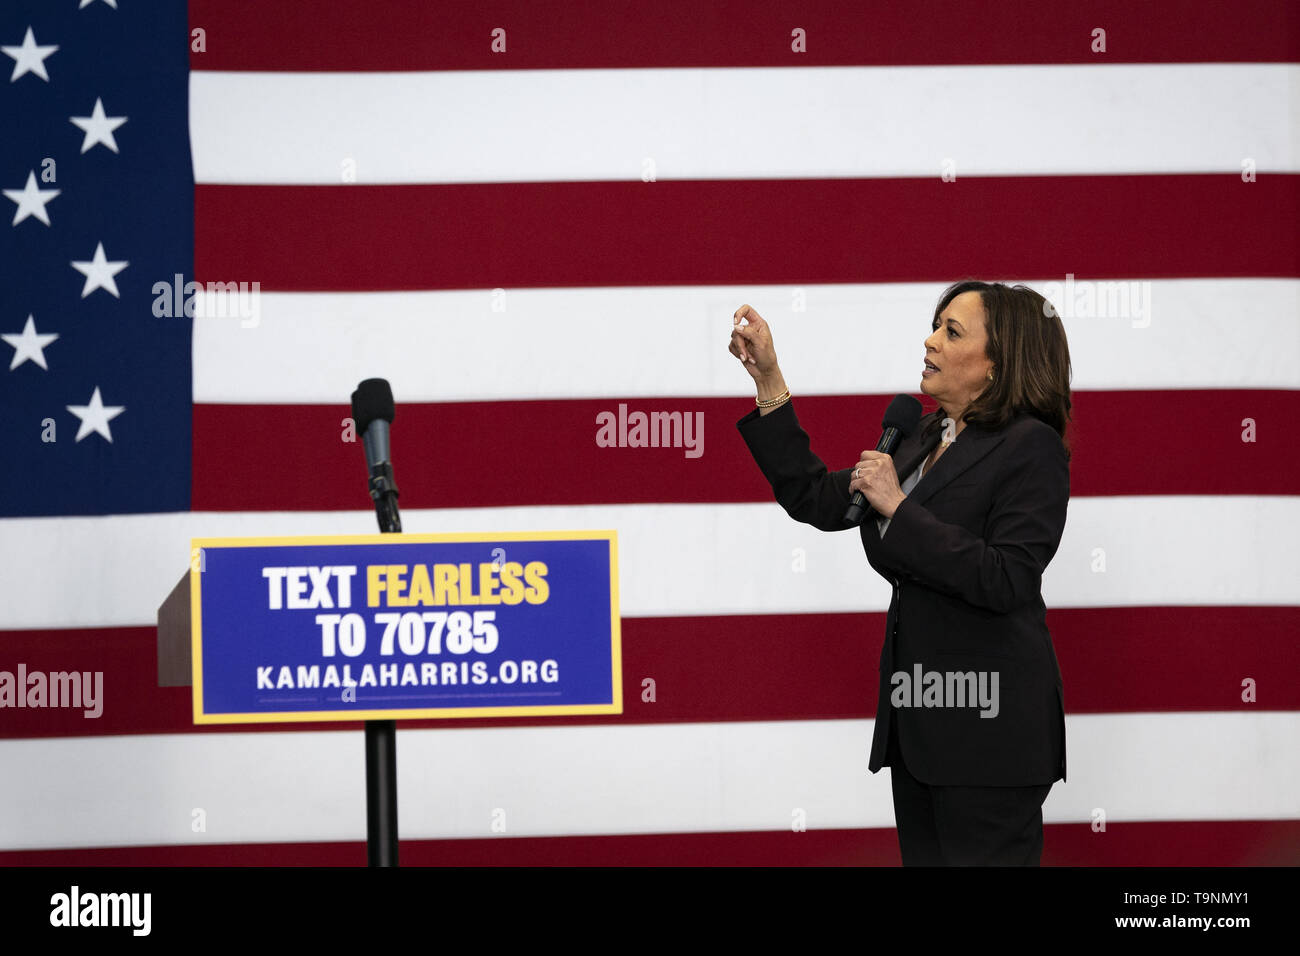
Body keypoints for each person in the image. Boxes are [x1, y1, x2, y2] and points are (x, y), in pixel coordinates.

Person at [730, 280, 1072, 866]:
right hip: (920, 730)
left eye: (952, 332)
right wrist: (769, 382)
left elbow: (1006, 577)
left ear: (998, 364)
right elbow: (815, 497)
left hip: (990, 739)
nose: (930, 340)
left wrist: (900, 508)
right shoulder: (920, 438)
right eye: (935, 325)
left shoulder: (1030, 448)